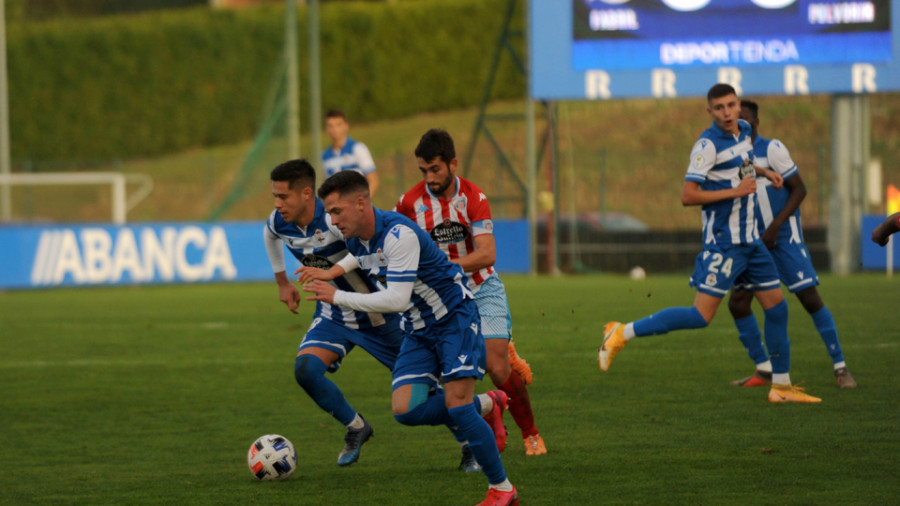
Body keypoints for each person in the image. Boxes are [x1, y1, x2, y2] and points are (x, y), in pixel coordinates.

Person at [264, 159, 506, 470]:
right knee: (306, 370)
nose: (277, 204)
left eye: (282, 196)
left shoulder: (340, 220)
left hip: (380, 314)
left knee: (431, 392)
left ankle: (471, 441)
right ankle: (355, 427)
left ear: (306, 194)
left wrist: (336, 284)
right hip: (335, 313)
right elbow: (271, 236)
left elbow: (379, 267)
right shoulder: (281, 221)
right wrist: (284, 281)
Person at [598, 83, 821, 404]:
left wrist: (762, 171)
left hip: (752, 243)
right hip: (725, 244)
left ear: (739, 105)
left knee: (777, 308)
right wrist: (736, 192)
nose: (727, 112)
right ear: (710, 111)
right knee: (699, 317)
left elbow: (739, 166)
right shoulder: (706, 146)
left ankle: (781, 388)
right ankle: (621, 331)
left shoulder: (743, 131)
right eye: (720, 108)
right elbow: (688, 195)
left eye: (731, 105)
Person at [395, 128, 546, 457]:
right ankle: (489, 410)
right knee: (455, 373)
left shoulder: (474, 198)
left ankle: (531, 433)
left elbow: (488, 254)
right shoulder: (409, 203)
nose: (430, 178)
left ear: (453, 164)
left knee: (498, 367)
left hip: (481, 287)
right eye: (423, 171)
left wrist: (447, 268)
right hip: (442, 298)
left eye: (435, 169)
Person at [727, 100, 856, 389]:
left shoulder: (772, 149)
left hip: (783, 237)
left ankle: (841, 367)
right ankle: (764, 371)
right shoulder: (734, 156)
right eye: (737, 121)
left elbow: (799, 188)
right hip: (754, 242)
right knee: (738, 303)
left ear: (756, 122)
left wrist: (775, 227)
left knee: (809, 299)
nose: (740, 126)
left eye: (745, 120)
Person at [322, 109, 380, 196]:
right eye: (330, 126)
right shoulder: (325, 156)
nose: (334, 130)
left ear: (346, 126)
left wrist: (361, 204)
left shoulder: (357, 148)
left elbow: (373, 181)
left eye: (338, 125)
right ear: (326, 129)